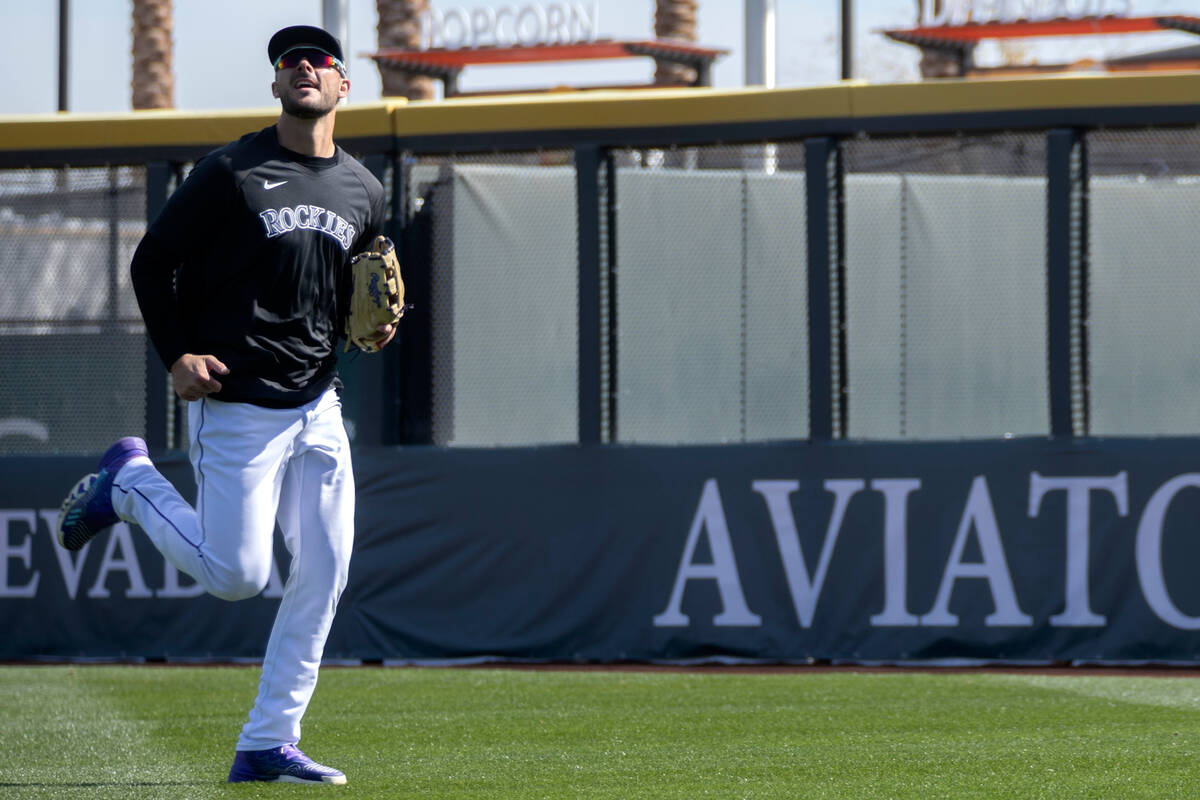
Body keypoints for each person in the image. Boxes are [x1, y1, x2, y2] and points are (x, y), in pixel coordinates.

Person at [55, 25, 393, 786]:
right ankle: (131, 486)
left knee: (326, 568)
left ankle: (268, 741)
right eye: (289, 61)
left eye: (319, 60)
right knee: (237, 575)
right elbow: (152, 263)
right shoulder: (230, 172)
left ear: (343, 87)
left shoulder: (364, 190)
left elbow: (360, 288)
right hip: (236, 402)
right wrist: (176, 355)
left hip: (317, 403)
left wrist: (376, 320)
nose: (304, 67)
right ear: (277, 86)